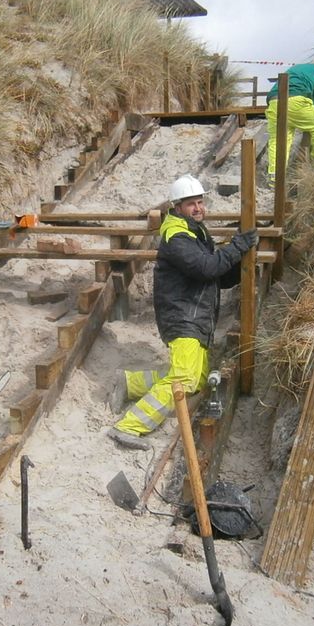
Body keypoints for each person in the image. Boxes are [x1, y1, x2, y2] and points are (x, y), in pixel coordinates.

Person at [107, 174, 258, 450]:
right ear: (177, 207)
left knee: (196, 380)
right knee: (184, 379)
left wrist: (242, 265)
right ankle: (128, 426)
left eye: (200, 202)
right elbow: (206, 268)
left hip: (196, 318)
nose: (198, 208)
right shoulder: (177, 236)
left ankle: (129, 383)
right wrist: (236, 247)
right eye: (191, 204)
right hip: (184, 316)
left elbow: (216, 277)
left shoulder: (195, 234)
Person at [265, 61, 314, 186]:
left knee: (278, 140)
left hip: (274, 101)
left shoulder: (301, 68)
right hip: (295, 100)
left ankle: (274, 178)